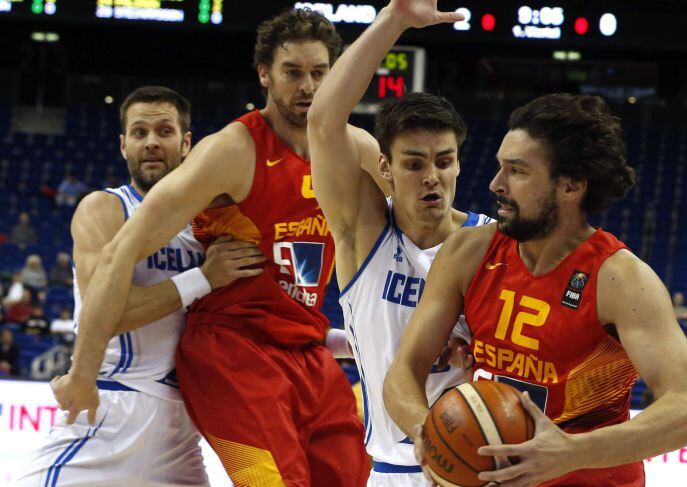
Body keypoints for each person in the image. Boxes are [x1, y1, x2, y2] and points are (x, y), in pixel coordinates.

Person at [382, 26, 687, 486]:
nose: (496, 184)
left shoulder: (620, 280)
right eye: (500, 166)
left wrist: (570, 452)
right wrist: (429, 434)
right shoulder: (469, 252)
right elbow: (403, 370)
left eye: (516, 171)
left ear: (571, 185)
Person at [49, 11, 370, 486]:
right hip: (198, 364)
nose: (308, 86)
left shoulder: (354, 148)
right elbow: (117, 261)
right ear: (264, 73)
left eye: (319, 73)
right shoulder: (221, 157)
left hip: (289, 357)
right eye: (293, 73)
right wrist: (81, 371)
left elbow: (417, 230)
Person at [16, 86, 263, 486]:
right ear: (123, 144)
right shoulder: (105, 208)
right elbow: (107, 312)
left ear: (186, 144)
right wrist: (203, 278)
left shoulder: (214, 226)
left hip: (181, 430)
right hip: (111, 409)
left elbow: (261, 317)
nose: (151, 142)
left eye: (164, 132)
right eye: (139, 132)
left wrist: (339, 342)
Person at [307, 3, 487, 483]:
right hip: (396, 471)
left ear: (458, 165)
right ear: (384, 168)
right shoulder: (363, 233)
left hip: (485, 471)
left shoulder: (493, 244)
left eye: (444, 161)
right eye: (413, 164)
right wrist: (395, 19)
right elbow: (324, 122)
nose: (432, 177)